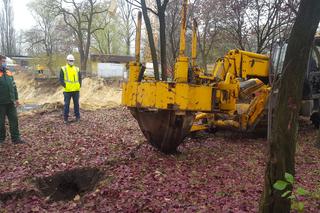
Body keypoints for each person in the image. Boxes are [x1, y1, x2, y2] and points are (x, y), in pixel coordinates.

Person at [0, 54, 25, 144]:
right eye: (2, 61)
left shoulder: (8, 72)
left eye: (5, 61)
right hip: (1, 103)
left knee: (14, 120)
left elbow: (13, 86)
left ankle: (16, 138)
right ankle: (1, 139)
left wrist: (16, 98)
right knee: (1, 122)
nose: (4, 63)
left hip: (11, 101)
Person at [59, 54, 82, 124]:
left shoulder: (77, 69)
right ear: (67, 61)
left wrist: (79, 85)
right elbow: (61, 79)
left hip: (76, 90)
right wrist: (65, 86)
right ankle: (65, 119)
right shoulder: (63, 69)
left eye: (72, 60)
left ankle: (77, 117)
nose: (71, 62)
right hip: (67, 91)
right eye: (70, 60)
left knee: (76, 104)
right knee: (66, 105)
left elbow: (80, 78)